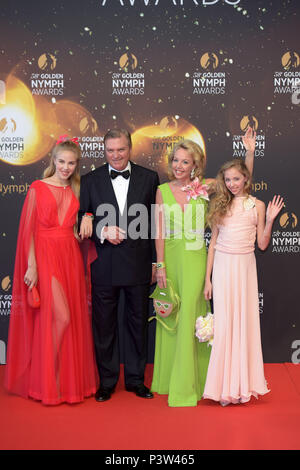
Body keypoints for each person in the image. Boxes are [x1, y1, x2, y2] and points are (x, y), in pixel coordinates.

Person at [150, 128, 256, 407]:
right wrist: (159, 266)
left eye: (186, 161)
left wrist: (250, 152)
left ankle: (192, 385)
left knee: (191, 318)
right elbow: (158, 233)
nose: (179, 166)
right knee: (171, 317)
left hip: (197, 259)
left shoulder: (206, 188)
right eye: (176, 160)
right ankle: (168, 378)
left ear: (195, 164)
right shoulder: (162, 192)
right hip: (171, 260)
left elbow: (241, 184)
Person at [5, 136, 98, 405]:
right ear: (53, 161)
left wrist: (85, 228)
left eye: (71, 163)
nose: (66, 168)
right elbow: (29, 231)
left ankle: (54, 374)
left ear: (76, 164)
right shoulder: (37, 187)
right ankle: (46, 374)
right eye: (61, 162)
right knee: (62, 317)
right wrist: (31, 265)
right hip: (45, 257)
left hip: (68, 254)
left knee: (66, 320)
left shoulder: (77, 190)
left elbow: (73, 230)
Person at [79, 128, 159, 402]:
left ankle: (136, 380)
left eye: (121, 149)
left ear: (130, 148)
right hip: (104, 264)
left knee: (138, 323)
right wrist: (103, 230)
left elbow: (153, 224)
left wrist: (154, 263)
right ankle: (107, 381)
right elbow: (81, 218)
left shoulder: (149, 178)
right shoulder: (90, 180)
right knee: (104, 325)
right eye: (110, 150)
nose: (115, 155)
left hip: (138, 263)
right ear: (104, 150)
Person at [203, 158, 284, 406]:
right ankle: (222, 387)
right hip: (224, 269)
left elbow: (261, 244)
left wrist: (270, 220)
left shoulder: (257, 205)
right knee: (226, 326)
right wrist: (208, 280)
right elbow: (213, 244)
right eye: (227, 180)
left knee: (243, 325)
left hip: (246, 267)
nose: (231, 184)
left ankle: (241, 386)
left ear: (246, 179)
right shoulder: (219, 204)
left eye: (236, 179)